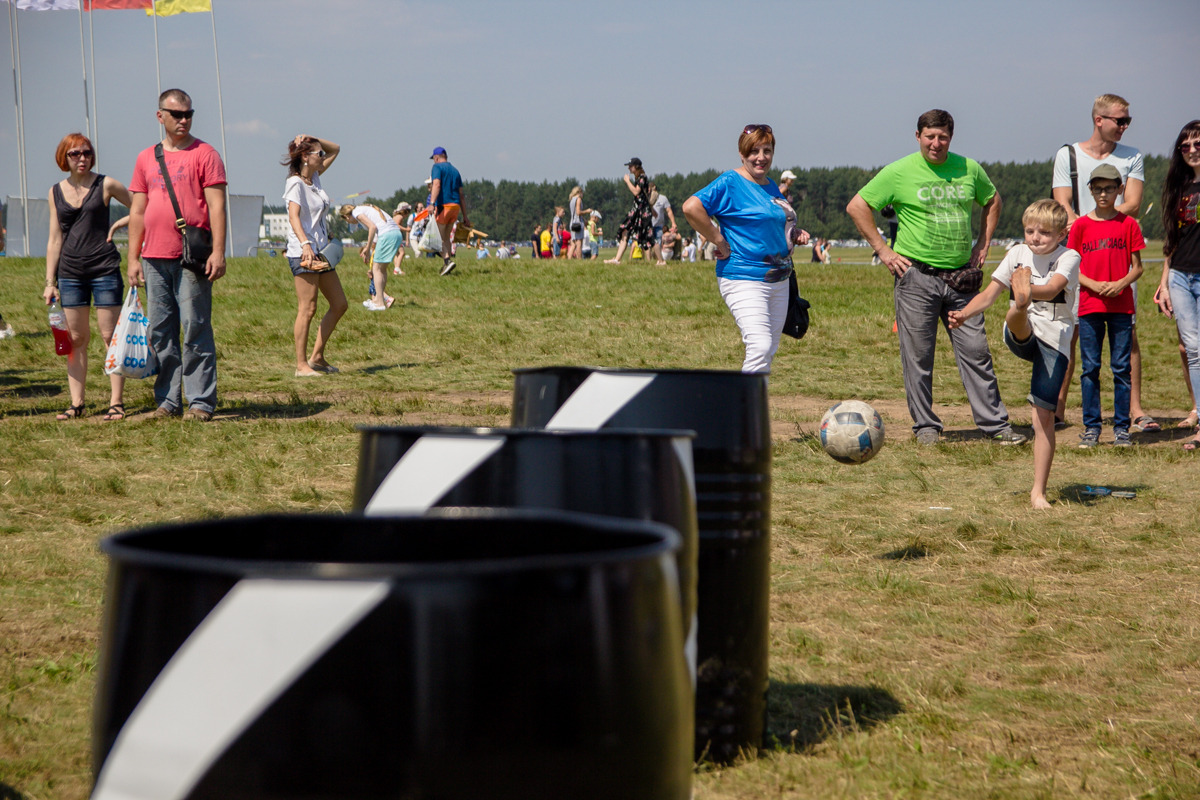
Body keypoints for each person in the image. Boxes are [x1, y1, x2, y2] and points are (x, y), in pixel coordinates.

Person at [846, 108, 1025, 445]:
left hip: (962, 278)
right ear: (918, 137)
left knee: (976, 351)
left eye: (942, 136)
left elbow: (993, 199)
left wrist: (983, 243)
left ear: (951, 138)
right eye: (929, 136)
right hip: (917, 277)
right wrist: (884, 251)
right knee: (918, 355)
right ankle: (926, 427)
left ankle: (995, 426)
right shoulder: (899, 172)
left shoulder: (969, 168)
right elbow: (858, 205)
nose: (936, 143)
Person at [948, 200, 1080, 509]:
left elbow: (1053, 288)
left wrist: (1029, 289)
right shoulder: (1018, 253)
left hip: (1055, 342)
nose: (1035, 238)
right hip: (1023, 333)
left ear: (1061, 234)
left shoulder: (1069, 256)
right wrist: (964, 314)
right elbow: (990, 294)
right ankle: (1019, 308)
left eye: (1044, 233)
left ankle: (1038, 493)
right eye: (1029, 231)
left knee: (1043, 418)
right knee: (1013, 316)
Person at [1051, 94, 1156, 431]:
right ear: (1099, 120)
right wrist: (1084, 225)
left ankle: (1135, 409)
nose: (1125, 126)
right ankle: (1059, 407)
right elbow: (1062, 202)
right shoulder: (1067, 155)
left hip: (1117, 250)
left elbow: (1134, 203)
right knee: (1071, 330)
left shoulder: (1133, 156)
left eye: (1128, 121)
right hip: (1079, 251)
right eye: (1119, 120)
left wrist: (1100, 220)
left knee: (1128, 331)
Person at [127, 88, 227, 422]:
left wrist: (219, 252)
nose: (183, 120)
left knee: (194, 326)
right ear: (160, 116)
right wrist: (132, 258)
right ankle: (168, 402)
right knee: (160, 331)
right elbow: (138, 211)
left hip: (191, 258)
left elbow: (217, 205)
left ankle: (200, 401)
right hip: (153, 257)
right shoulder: (145, 158)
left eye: (188, 114)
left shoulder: (206, 154)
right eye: (176, 115)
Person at [682, 123, 809, 374]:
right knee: (760, 346)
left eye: (767, 151)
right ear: (742, 154)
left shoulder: (772, 185)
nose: (761, 158)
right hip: (743, 277)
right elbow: (691, 207)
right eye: (754, 151)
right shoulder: (731, 182)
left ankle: (752, 408)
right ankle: (740, 409)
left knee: (768, 351)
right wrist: (718, 240)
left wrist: (794, 234)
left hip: (780, 280)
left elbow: (770, 224)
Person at [43, 133, 133, 420]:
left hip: (104, 270)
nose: (82, 158)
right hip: (70, 275)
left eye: (87, 153)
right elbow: (54, 239)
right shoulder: (55, 191)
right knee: (76, 339)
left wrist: (121, 222)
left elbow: (144, 206)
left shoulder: (106, 184)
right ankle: (76, 403)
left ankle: (116, 402)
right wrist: (49, 282)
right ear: (64, 158)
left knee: (110, 336)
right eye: (75, 154)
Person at [1070, 164, 1145, 448]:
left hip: (1121, 306)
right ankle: (1092, 427)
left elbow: (1137, 268)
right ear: (1090, 189)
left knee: (1120, 368)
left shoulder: (1128, 225)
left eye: (1109, 189)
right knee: (1090, 367)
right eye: (1098, 188)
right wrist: (1091, 283)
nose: (1103, 194)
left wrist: (1121, 283)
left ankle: (1121, 428)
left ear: (1119, 190)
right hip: (1090, 305)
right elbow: (1072, 266)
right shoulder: (1080, 225)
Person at [282, 135, 347, 377]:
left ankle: (317, 357)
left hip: (321, 253)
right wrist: (306, 243)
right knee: (307, 308)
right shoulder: (295, 184)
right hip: (304, 252)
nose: (323, 157)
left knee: (340, 304)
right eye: (318, 154)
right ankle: (301, 366)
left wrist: (311, 136)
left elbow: (336, 148)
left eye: (321, 154)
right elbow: (293, 217)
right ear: (305, 157)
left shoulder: (315, 178)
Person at [1154, 120, 1200, 450]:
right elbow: (1172, 239)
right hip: (1180, 276)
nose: (1192, 151)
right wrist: (1164, 283)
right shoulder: (1178, 188)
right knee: (1193, 350)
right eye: (1186, 146)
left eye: (1198, 144)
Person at [340, 202, 403, 310]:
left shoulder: (356, 212)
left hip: (387, 234)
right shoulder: (364, 208)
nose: (350, 222)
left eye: (347, 221)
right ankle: (377, 299)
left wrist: (367, 248)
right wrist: (370, 249)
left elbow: (372, 227)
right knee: (381, 269)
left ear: (346, 216)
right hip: (395, 234)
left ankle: (379, 303)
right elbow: (376, 229)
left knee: (376, 269)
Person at [605, 158, 655, 264]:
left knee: (645, 235)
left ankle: (654, 261)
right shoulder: (640, 178)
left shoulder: (642, 177)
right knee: (625, 231)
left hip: (640, 211)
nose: (629, 168)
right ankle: (617, 259)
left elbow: (636, 192)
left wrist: (628, 181)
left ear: (636, 167)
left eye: (631, 166)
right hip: (637, 210)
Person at [428, 147, 469, 275]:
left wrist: (432, 203)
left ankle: (447, 261)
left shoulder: (437, 168)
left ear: (436, 157)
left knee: (436, 238)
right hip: (455, 207)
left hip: (443, 206)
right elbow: (461, 195)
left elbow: (437, 184)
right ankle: (448, 266)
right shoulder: (455, 171)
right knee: (446, 238)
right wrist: (465, 216)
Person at [649, 183, 677, 265]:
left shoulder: (663, 198)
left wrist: (673, 223)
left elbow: (669, 211)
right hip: (648, 225)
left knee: (658, 242)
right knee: (648, 245)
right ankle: (650, 261)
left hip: (659, 225)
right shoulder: (646, 198)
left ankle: (659, 260)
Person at [567, 187, 592, 259]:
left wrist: (584, 220)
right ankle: (579, 259)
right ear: (579, 192)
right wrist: (587, 211)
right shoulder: (578, 199)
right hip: (578, 223)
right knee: (579, 243)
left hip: (572, 222)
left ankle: (569, 258)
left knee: (574, 243)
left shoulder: (572, 200)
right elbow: (578, 212)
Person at [391, 202, 412, 275]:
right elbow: (396, 225)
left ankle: (397, 269)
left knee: (396, 254)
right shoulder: (400, 217)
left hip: (392, 236)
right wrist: (406, 229)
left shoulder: (396, 216)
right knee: (402, 253)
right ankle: (396, 269)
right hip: (395, 236)